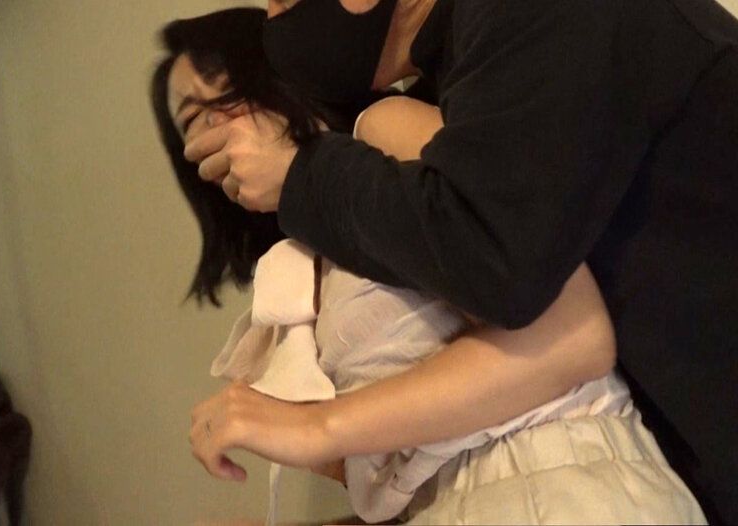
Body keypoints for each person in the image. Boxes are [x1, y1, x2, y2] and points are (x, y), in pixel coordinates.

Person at [182, 0, 738, 522]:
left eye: (226, 100)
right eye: (189, 121)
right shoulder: (448, 95)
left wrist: (317, 426)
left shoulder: (506, 40)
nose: (279, 23)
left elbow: (532, 296)